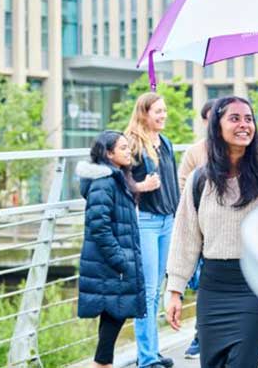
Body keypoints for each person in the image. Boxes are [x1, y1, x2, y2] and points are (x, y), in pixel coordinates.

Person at [165, 96, 258, 368]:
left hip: (257, 288)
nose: (244, 125)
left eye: (249, 119)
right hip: (214, 289)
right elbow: (185, 236)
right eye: (235, 118)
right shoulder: (200, 178)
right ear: (216, 126)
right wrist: (174, 290)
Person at [76, 131, 145, 368]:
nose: (129, 151)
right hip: (110, 261)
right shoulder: (104, 182)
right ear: (108, 153)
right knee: (116, 311)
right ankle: (101, 363)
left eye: (128, 147)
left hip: (115, 259)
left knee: (114, 311)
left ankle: (103, 362)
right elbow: (99, 226)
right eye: (123, 148)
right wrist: (120, 259)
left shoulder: (117, 178)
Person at [125, 93, 179, 368]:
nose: (163, 115)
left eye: (164, 110)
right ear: (144, 113)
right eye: (157, 111)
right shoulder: (132, 144)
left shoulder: (166, 143)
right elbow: (119, 183)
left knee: (156, 290)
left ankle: (153, 352)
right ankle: (146, 359)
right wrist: (140, 187)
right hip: (145, 221)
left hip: (168, 221)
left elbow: (173, 183)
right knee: (146, 291)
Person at [176, 98, 216, 360]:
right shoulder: (195, 152)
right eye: (211, 117)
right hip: (203, 228)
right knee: (204, 284)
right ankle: (201, 336)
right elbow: (183, 185)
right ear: (205, 121)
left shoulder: (245, 149)